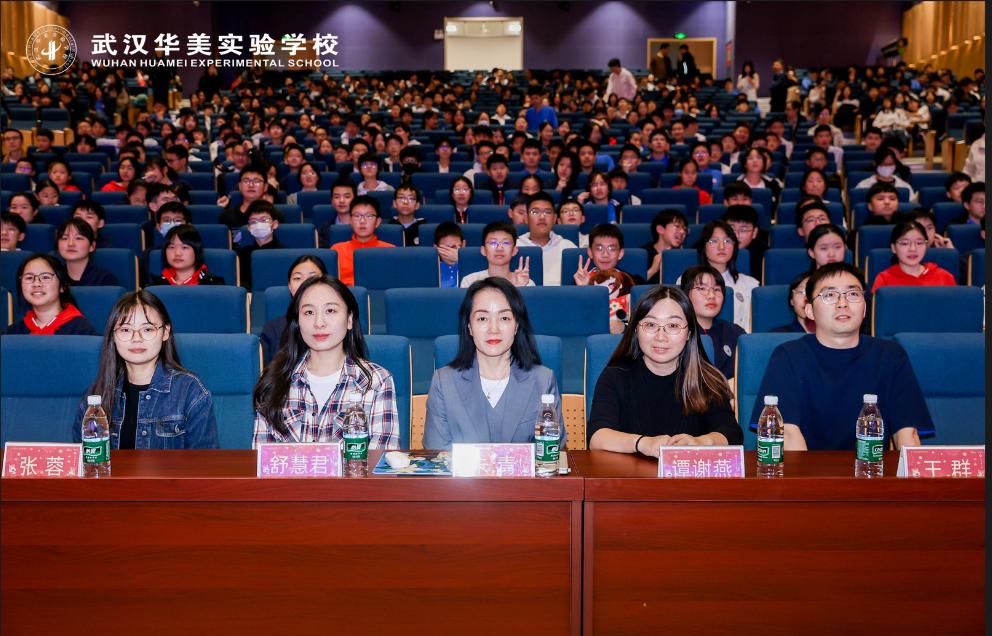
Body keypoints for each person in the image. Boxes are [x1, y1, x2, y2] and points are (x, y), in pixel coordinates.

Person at [751, 262, 933, 450]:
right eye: (830, 295)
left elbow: (907, 434)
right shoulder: (788, 356)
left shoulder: (890, 356)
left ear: (864, 308)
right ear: (810, 311)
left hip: (872, 466)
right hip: (807, 467)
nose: (843, 303)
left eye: (853, 294)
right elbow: (788, 433)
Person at [587, 285, 742, 455]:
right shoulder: (615, 376)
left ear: (689, 332)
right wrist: (643, 443)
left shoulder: (706, 378)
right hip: (629, 471)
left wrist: (700, 442)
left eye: (673, 325)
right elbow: (597, 437)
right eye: (650, 324)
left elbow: (731, 433)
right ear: (636, 329)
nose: (661, 337)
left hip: (687, 470)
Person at [252, 276, 400, 448]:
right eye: (309, 312)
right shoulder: (274, 381)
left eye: (330, 310)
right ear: (297, 322)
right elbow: (262, 459)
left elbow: (380, 458)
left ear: (349, 319)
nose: (319, 323)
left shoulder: (376, 381)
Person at [423, 277, 564, 449]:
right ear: (469, 326)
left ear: (517, 325)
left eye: (504, 318)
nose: (493, 329)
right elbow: (437, 454)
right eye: (482, 318)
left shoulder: (543, 380)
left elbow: (551, 453)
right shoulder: (444, 382)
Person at [72, 291, 219, 449]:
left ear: (165, 332)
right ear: (113, 336)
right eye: (126, 330)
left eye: (147, 329)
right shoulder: (97, 394)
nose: (136, 338)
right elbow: (82, 457)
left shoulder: (190, 391)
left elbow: (206, 461)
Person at [573, 224, 644, 333]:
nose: (605, 254)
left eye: (612, 248)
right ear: (590, 252)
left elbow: (645, 318)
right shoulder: (576, 284)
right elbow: (573, 321)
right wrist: (583, 290)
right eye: (599, 248)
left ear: (620, 253)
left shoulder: (634, 282)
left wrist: (624, 326)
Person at [679, 265, 745, 381]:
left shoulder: (735, 333)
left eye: (717, 289)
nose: (711, 295)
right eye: (702, 288)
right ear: (685, 295)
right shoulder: (677, 333)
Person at [5, 254, 98, 335]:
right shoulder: (13, 333)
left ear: (62, 286)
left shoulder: (81, 331)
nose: (36, 283)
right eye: (29, 278)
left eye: (45, 277)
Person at [260, 254, 327, 366]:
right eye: (297, 278)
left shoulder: (337, 324)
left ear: (326, 283)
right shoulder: (273, 328)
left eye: (313, 277)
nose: (305, 283)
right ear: (290, 287)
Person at [692, 220, 758, 331]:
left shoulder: (751, 284)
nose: (721, 247)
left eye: (727, 241)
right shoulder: (688, 280)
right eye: (714, 241)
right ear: (704, 246)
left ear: (734, 246)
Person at [871, 220, 957, 292]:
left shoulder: (944, 277)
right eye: (905, 243)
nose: (913, 249)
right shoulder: (884, 280)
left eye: (919, 243)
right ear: (893, 248)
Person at [330, 195, 396, 286]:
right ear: (350, 220)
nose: (362, 221)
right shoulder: (337, 250)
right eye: (357, 216)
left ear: (377, 222)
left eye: (369, 216)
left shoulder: (391, 251)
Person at [516, 192, 577, 286]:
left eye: (547, 212)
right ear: (526, 218)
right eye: (535, 212)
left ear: (555, 218)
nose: (542, 217)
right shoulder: (515, 247)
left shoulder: (568, 247)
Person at [460, 222, 533, 288]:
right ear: (483, 250)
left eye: (506, 243)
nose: (499, 248)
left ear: (514, 250)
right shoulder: (470, 282)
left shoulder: (525, 282)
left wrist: (520, 289)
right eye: (493, 243)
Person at [147, 225, 226, 286]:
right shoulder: (155, 286)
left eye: (184, 247)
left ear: (197, 251)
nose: (177, 253)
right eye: (171, 247)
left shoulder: (212, 285)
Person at [56, 218, 119, 287]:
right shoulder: (54, 278)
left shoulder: (105, 280)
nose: (70, 244)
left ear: (92, 246)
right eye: (64, 238)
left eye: (78, 238)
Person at [237, 201, 286, 289]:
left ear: (274, 224)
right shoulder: (243, 254)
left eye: (264, 220)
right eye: (254, 221)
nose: (259, 225)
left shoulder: (285, 253)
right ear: (249, 227)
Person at [643, 208, 688, 284]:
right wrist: (653, 270)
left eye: (684, 228)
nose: (682, 231)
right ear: (660, 229)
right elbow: (633, 285)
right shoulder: (644, 254)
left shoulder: (685, 255)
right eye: (677, 226)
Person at [317, 177, 358, 248]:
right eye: (337, 197)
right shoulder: (324, 229)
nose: (341, 200)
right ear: (332, 201)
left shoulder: (363, 226)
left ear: (355, 199)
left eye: (347, 196)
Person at [434, 221, 465, 288]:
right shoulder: (431, 269)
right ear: (436, 248)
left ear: (463, 245)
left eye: (455, 247)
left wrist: (460, 260)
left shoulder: (473, 267)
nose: (452, 252)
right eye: (447, 248)